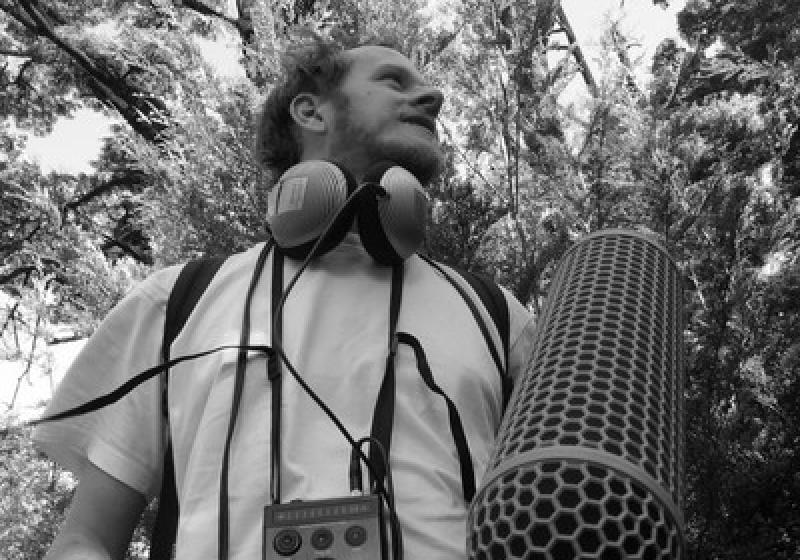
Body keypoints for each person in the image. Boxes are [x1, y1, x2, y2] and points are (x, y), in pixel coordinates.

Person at [35, 34, 537, 560]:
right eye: (394, 80)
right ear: (310, 111)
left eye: (427, 86)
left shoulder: (499, 316)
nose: (433, 96)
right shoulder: (177, 302)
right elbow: (87, 540)